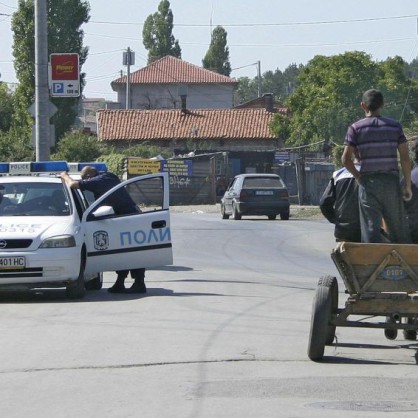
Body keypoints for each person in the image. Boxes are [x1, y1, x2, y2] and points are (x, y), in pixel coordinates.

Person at [61, 166, 147, 294]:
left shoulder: (98, 181)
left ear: (89, 177)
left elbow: (73, 184)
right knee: (123, 252)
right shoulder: (109, 176)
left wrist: (64, 175)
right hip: (125, 217)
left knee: (132, 252)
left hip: (127, 218)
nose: (86, 182)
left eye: (85, 179)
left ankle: (139, 283)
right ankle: (121, 282)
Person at [341, 89, 411, 244]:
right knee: (398, 229)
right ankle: (402, 265)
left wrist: (359, 177)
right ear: (382, 105)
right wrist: (407, 185)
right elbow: (405, 158)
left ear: (363, 106)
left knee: (370, 229)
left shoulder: (355, 128)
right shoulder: (395, 127)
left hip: (369, 183)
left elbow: (345, 159)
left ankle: (372, 265)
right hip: (391, 183)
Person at [319, 160, 361, 242]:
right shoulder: (372, 174)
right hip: (367, 231)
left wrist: (336, 221)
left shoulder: (338, 174)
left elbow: (324, 203)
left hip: (343, 231)